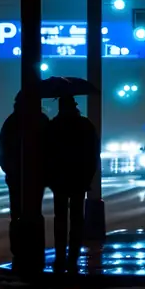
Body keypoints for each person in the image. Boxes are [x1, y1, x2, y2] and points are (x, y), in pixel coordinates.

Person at [0, 94, 49, 267]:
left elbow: (0, 151)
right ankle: (35, 252)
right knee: (35, 213)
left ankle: (19, 254)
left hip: (16, 178)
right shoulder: (42, 120)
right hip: (36, 178)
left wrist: (11, 170)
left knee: (17, 215)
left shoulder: (11, 122)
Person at [46, 95, 98, 273]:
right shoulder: (85, 125)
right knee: (76, 220)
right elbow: (92, 154)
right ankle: (73, 257)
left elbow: (46, 155)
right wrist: (88, 177)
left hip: (59, 180)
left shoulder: (53, 126)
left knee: (60, 219)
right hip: (78, 179)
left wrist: (50, 178)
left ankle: (60, 257)